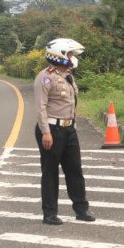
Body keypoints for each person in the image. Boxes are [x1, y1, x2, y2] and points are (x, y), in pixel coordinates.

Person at [33, 38, 95, 225]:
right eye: (69, 54)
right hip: (51, 129)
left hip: (69, 129)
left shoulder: (68, 75)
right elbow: (41, 107)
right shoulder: (45, 77)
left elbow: (71, 103)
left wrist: (73, 125)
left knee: (75, 170)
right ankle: (49, 213)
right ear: (59, 55)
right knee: (50, 172)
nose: (72, 58)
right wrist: (46, 132)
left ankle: (81, 209)